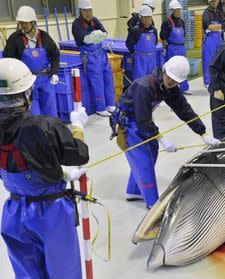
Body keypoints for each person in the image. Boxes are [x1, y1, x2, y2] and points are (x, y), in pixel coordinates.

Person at [0, 58, 89, 278]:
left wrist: (59, 172)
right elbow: (79, 154)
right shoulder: (43, 126)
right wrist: (78, 127)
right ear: (26, 94)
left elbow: (18, 162)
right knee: (64, 271)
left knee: (27, 272)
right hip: (50, 212)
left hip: (14, 212)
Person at [111, 56, 221, 208]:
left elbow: (184, 110)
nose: (171, 83)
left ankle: (134, 190)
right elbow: (143, 120)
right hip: (129, 124)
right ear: (164, 71)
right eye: (170, 78)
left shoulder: (170, 88)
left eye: (176, 81)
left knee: (152, 150)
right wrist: (162, 138)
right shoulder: (144, 86)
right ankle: (153, 204)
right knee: (144, 159)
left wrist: (203, 133)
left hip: (142, 121)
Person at [3, 6, 59, 117]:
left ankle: (51, 132)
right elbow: (9, 59)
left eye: (26, 23)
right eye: (21, 23)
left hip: (46, 79)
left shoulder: (44, 36)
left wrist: (54, 72)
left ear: (33, 22)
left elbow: (55, 55)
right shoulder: (15, 38)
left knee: (51, 111)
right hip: (27, 82)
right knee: (34, 114)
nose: (23, 25)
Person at [72, 0, 115, 117]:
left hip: (101, 53)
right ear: (80, 11)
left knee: (108, 76)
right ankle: (100, 107)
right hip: (90, 56)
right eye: (85, 11)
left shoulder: (94, 20)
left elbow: (105, 33)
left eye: (90, 10)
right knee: (97, 80)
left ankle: (110, 104)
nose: (88, 13)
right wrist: (95, 36)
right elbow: (84, 39)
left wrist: (97, 36)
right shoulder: (76, 24)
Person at [160, 0, 190, 95]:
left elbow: (184, 34)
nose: (179, 12)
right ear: (172, 10)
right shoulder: (167, 22)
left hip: (181, 48)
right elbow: (163, 36)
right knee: (171, 69)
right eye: (177, 10)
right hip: (172, 48)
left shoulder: (181, 22)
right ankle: (168, 88)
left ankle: (184, 88)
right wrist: (165, 46)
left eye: (179, 10)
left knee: (183, 67)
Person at [126, 5, 158, 80]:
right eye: (146, 17)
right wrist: (135, 53)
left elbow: (155, 43)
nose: (148, 19)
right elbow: (129, 43)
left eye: (150, 17)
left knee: (152, 80)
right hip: (140, 59)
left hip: (152, 59)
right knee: (140, 80)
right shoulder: (135, 30)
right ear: (141, 18)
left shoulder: (154, 30)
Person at [202, 0, 225, 87]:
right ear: (210, 2)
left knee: (220, 60)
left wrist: (215, 27)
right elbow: (209, 26)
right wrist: (218, 27)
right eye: (213, 1)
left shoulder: (219, 13)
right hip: (209, 40)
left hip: (219, 39)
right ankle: (208, 82)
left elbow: (224, 24)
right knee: (208, 60)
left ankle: (219, 80)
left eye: (216, 1)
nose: (215, 3)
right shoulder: (206, 13)